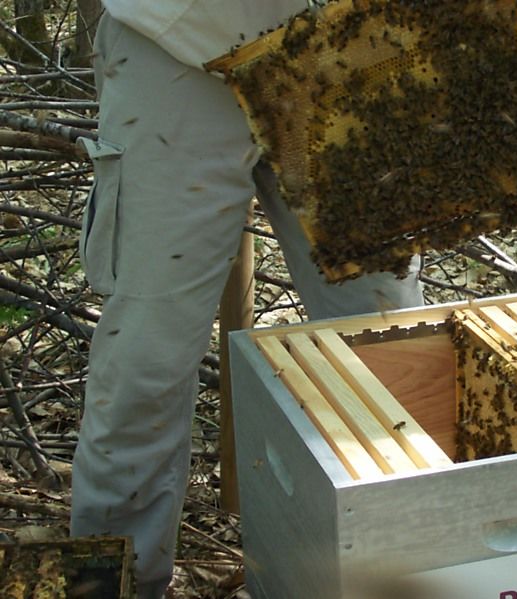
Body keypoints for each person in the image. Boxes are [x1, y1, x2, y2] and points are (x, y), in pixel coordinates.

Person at [69, 2, 424, 598]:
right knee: (143, 366)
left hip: (344, 40)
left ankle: (414, 570)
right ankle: (108, 589)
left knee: (396, 344)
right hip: (174, 45)